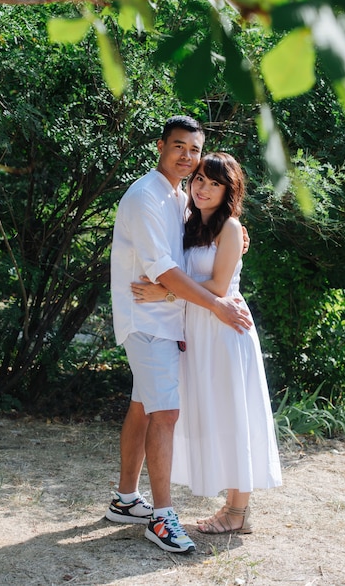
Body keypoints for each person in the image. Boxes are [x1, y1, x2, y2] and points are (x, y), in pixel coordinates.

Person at [106, 116, 252, 554]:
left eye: (194, 149)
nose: (187, 156)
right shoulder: (146, 196)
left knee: (143, 405)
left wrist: (234, 231)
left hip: (168, 320)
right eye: (179, 147)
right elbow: (166, 272)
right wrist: (216, 304)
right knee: (166, 413)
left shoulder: (180, 196)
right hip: (147, 321)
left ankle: (126, 500)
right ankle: (162, 517)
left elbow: (206, 238)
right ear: (160, 146)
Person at [132, 152, 282, 535]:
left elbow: (217, 287)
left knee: (234, 414)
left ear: (229, 190)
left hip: (224, 328)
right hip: (198, 329)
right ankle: (231, 507)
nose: (203, 188)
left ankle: (239, 512)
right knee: (215, 415)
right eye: (199, 179)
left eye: (215, 183)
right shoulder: (191, 223)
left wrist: (163, 292)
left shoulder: (229, 228)